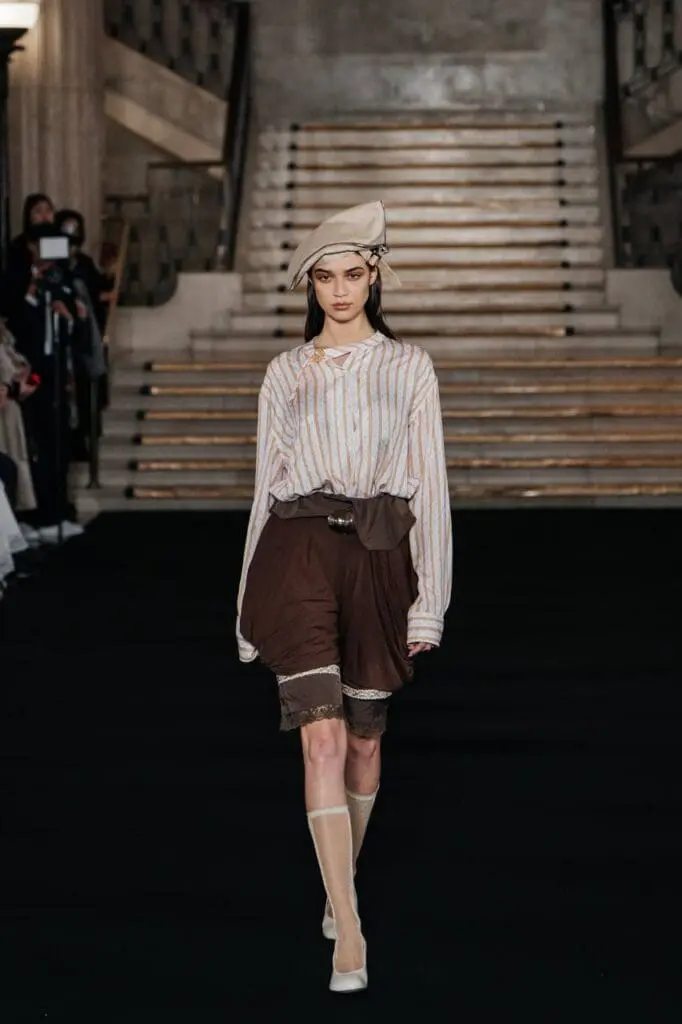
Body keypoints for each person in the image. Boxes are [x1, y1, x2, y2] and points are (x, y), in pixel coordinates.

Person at [236, 200, 453, 994]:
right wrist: (242, 608)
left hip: (378, 552)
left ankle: (339, 885)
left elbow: (429, 485)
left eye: (353, 273)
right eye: (323, 276)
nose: (338, 290)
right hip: (294, 551)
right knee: (320, 740)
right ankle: (349, 931)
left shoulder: (409, 367)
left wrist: (430, 601)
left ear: (374, 276)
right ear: (308, 284)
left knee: (364, 738)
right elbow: (264, 489)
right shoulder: (285, 373)